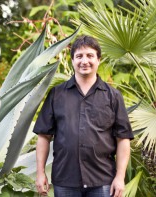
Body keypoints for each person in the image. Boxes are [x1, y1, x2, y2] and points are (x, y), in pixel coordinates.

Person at [34, 35, 133, 197]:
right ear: (72, 60)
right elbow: (44, 136)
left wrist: (120, 177)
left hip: (102, 181)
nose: (84, 61)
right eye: (79, 56)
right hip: (65, 180)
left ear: (98, 60)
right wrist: (40, 173)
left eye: (90, 56)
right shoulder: (56, 94)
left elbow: (123, 139)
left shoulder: (113, 96)